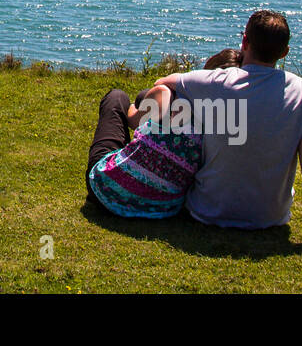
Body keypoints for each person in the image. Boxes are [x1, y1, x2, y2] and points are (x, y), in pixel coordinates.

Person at [153, 10, 302, 266]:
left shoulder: (213, 81)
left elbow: (164, 82)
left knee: (183, 103)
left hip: (207, 211)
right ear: (284, 52)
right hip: (270, 218)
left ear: (244, 42)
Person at [85, 48, 240, 218]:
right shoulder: (223, 123)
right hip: (163, 208)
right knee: (145, 102)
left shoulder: (166, 94)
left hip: (106, 192)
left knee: (116, 97)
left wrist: (144, 108)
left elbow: (132, 120)